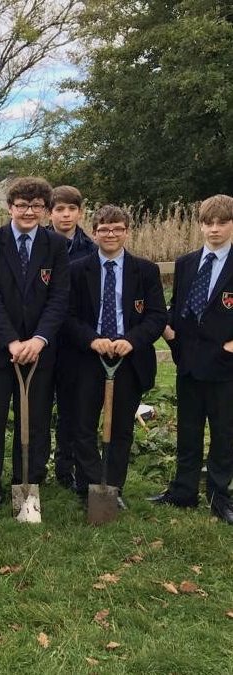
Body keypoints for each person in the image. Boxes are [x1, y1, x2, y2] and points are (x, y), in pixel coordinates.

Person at [0, 177, 70, 512]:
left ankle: (27, 486)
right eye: (22, 205)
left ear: (45, 209)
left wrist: (39, 340)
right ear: (10, 207)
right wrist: (12, 341)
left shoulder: (55, 246)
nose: (29, 211)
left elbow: (59, 298)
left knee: (36, 422)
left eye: (36, 206)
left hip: (39, 353)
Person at [66, 206, 167, 509]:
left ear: (126, 231)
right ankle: (91, 485)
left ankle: (114, 487)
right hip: (88, 358)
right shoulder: (77, 270)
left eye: (117, 229)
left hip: (128, 359)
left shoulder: (145, 270)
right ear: (94, 232)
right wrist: (92, 340)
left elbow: (157, 316)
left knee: (121, 427)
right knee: (82, 426)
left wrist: (131, 341)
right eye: (104, 229)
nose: (110, 234)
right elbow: (67, 316)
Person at [151, 194, 233, 524]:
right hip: (188, 361)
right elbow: (178, 307)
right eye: (208, 223)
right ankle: (183, 490)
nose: (214, 229)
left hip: (224, 364)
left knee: (224, 432)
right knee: (188, 429)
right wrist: (170, 334)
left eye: (222, 223)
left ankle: (218, 494)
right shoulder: (186, 263)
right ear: (200, 225)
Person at [47, 186, 98, 491]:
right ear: (50, 212)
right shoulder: (39, 243)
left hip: (75, 340)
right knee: (40, 406)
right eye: (59, 209)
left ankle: (68, 467)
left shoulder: (90, 249)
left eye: (71, 209)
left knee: (72, 408)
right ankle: (37, 465)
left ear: (80, 212)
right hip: (43, 337)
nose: (65, 215)